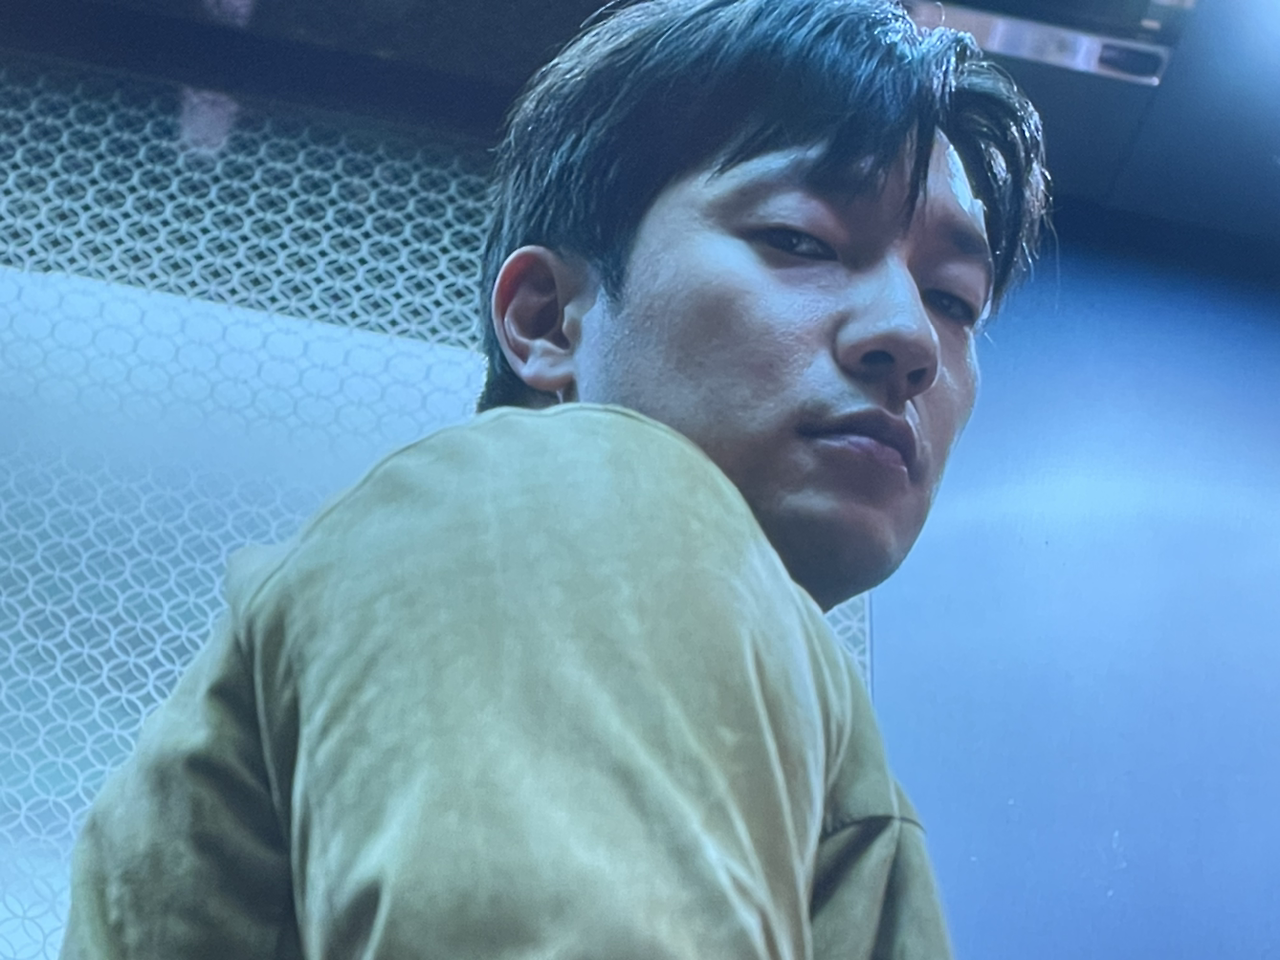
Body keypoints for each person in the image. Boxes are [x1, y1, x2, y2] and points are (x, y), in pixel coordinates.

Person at [60, 0, 1049, 957]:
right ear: (546, 320)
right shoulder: (571, 488)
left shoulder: (810, 723)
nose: (909, 339)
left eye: (952, 300)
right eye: (800, 240)